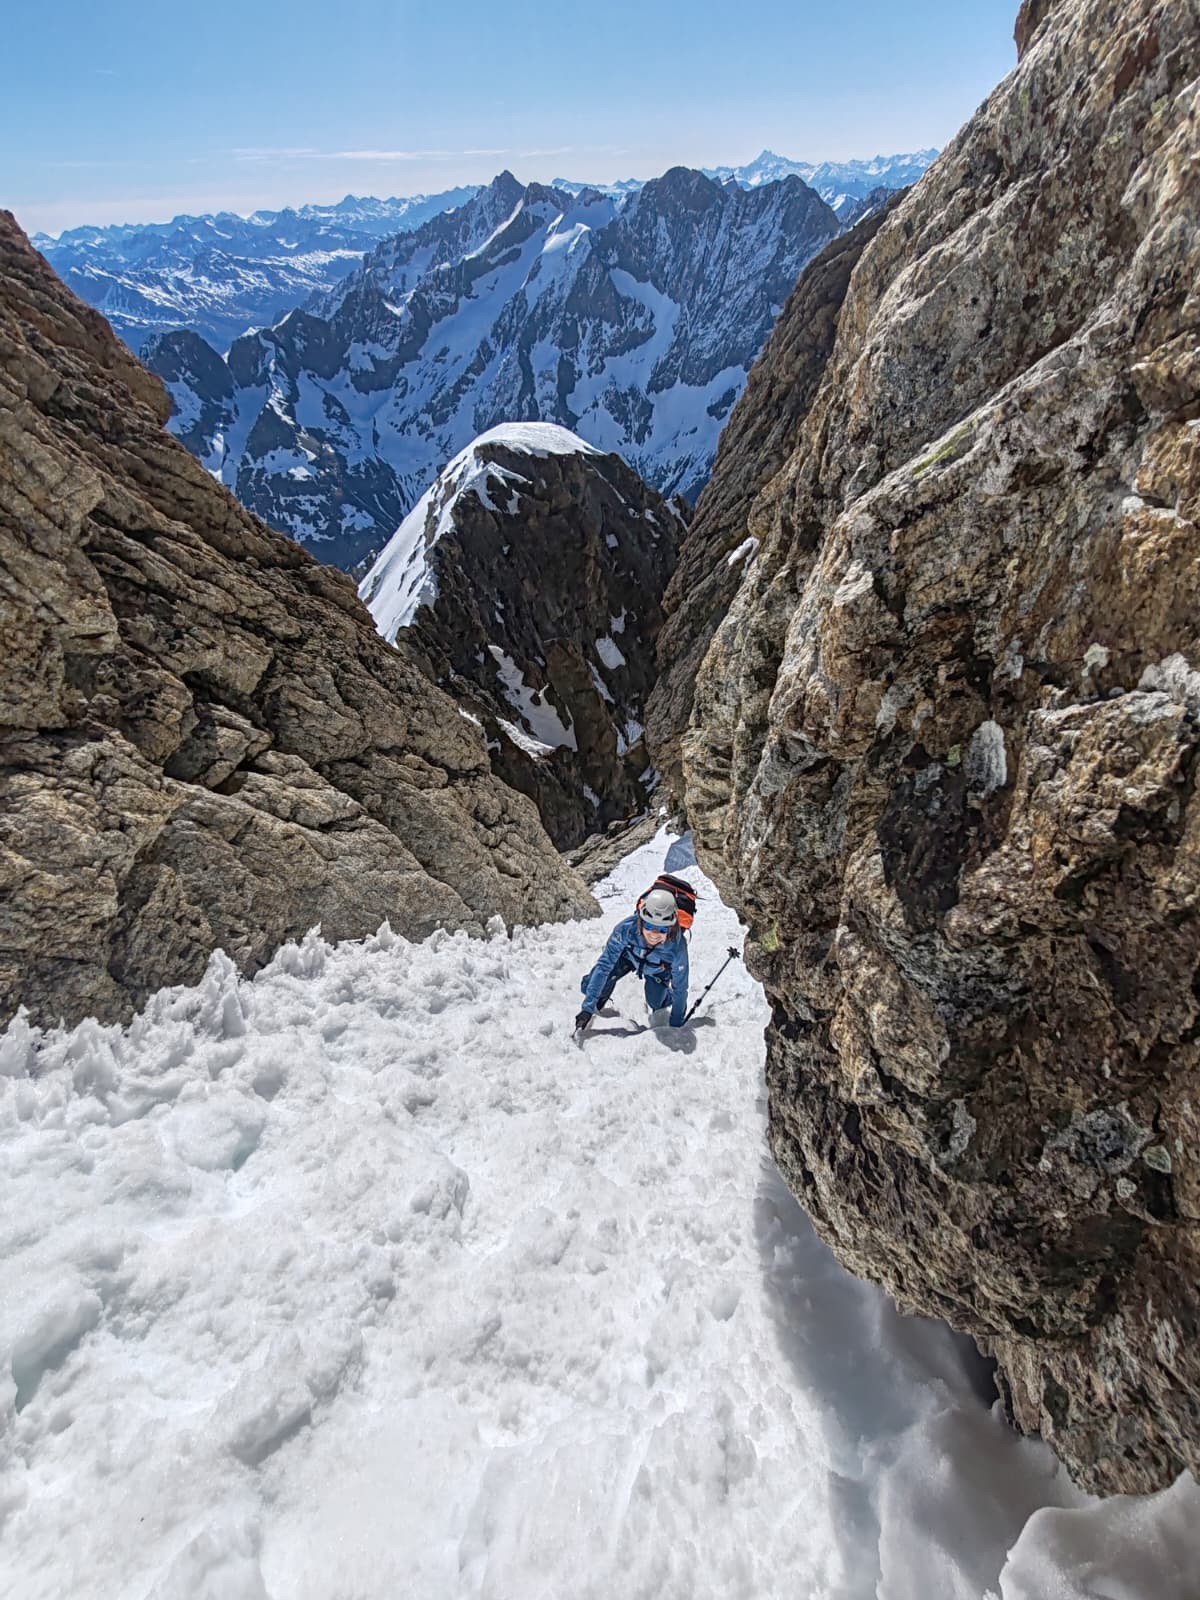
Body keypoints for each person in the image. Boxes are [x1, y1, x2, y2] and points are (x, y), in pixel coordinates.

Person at [575, 887, 690, 1032]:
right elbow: (605, 965)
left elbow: (680, 987)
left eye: (662, 929)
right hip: (628, 958)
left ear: (671, 927)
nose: (654, 935)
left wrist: (676, 1025)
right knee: (588, 987)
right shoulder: (626, 929)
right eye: (649, 926)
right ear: (641, 921)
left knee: (657, 1001)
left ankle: (665, 997)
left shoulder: (677, 946)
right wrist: (587, 1008)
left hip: (657, 969)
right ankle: (595, 991)